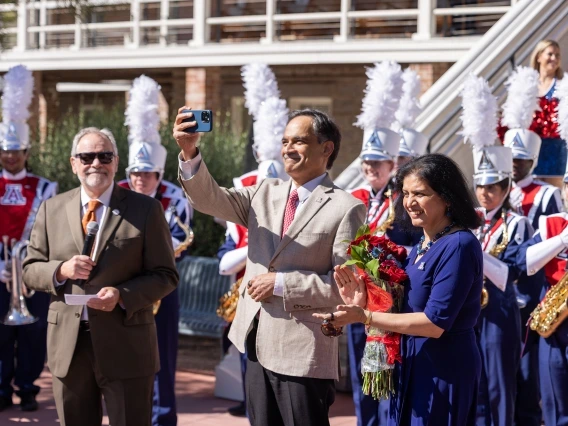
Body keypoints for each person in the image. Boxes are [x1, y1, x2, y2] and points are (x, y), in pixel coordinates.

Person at [174, 107, 366, 426]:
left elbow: (346, 288)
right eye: (285, 140)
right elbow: (209, 200)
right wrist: (189, 151)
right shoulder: (266, 191)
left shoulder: (347, 208)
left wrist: (281, 284)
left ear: (326, 147)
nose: (288, 148)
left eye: (299, 141)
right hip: (256, 342)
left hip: (303, 351)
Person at [22, 127, 179, 426]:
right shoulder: (50, 209)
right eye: (87, 156)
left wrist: (122, 296)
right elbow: (30, 269)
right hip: (68, 347)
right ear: (74, 163)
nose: (96, 163)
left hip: (127, 343)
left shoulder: (146, 209)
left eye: (104, 156)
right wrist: (60, 270)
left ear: (116, 162)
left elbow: (165, 275)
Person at [316, 153, 483, 425]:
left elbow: (433, 323)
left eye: (420, 193)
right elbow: (405, 306)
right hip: (412, 362)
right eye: (405, 193)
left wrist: (364, 317)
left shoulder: (459, 245)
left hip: (443, 368)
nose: (409, 203)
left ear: (447, 197)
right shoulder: (422, 244)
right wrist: (364, 303)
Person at [348, 63, 421, 424]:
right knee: (362, 376)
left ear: (394, 164)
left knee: (387, 379)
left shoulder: (403, 201)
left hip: (392, 301)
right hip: (360, 294)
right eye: (367, 162)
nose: (371, 169)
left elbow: (413, 246)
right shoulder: (357, 197)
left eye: (378, 163)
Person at [117, 75, 191, 426]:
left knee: (163, 354)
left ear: (159, 172)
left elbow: (181, 239)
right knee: (122, 355)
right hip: (122, 285)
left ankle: (163, 417)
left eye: (146, 174)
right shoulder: (118, 194)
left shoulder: (174, 197)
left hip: (161, 286)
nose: (139, 180)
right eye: (134, 173)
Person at [217, 63, 289, 418]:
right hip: (247, 292)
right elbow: (224, 260)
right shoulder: (243, 192)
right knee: (250, 359)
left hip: (285, 296)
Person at [501, 65, 562, 426]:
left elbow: (552, 242)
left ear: (533, 160)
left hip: (532, 294)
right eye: (511, 159)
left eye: (522, 160)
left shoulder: (547, 193)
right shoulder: (495, 192)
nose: (516, 166)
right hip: (499, 293)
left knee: (527, 377)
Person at [0, 64, 58, 412]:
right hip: (0, 274)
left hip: (32, 275)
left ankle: (28, 387)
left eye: (16, 151)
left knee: (33, 335)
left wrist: (28, 268)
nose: (10, 156)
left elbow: (50, 232)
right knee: (0, 336)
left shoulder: (46, 187)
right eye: (5, 151)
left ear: (26, 152)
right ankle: (1, 388)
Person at [472, 146, 529, 426]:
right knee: (475, 382)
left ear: (507, 187)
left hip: (499, 311)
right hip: (469, 311)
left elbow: (513, 272)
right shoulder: (469, 221)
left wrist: (472, 252)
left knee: (499, 383)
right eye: (480, 185)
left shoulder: (518, 224)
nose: (485, 192)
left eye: (492, 186)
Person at [529, 39, 565, 183]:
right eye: (550, 54)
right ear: (538, 56)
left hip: (555, 150)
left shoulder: (563, 85)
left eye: (557, 55)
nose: (554, 59)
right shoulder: (527, 84)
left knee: (553, 194)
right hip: (531, 149)